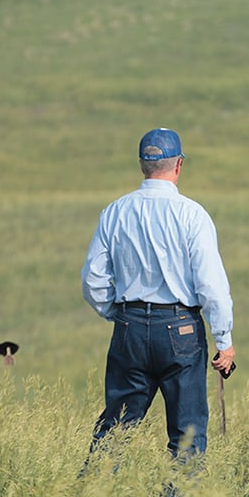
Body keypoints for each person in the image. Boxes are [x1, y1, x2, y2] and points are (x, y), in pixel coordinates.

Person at [81, 127, 235, 468]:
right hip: (181, 330)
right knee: (187, 435)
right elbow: (211, 286)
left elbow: (92, 279)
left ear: (141, 166)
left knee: (116, 430)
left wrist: (118, 314)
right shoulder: (193, 215)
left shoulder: (115, 212)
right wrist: (224, 340)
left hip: (129, 327)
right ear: (178, 165)